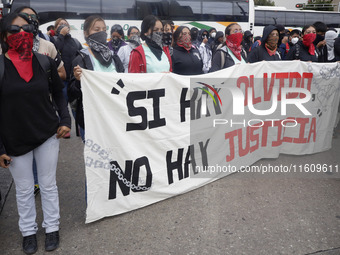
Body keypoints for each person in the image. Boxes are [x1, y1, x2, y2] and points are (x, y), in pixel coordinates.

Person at [0, 12, 71, 254]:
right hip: (15, 139)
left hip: (47, 134)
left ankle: (52, 228)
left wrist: (65, 120)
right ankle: (28, 233)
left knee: (48, 185)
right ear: (3, 35)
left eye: (26, 30)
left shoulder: (44, 61)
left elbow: (59, 95)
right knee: (24, 189)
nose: (21, 34)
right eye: (14, 30)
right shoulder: (0, 66)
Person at [69, 15, 124, 141]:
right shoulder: (81, 59)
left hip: (115, 116)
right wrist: (78, 81)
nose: (101, 33)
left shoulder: (114, 58)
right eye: (96, 29)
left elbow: (124, 81)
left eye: (104, 30)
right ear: (86, 33)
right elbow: (72, 94)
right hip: (92, 119)